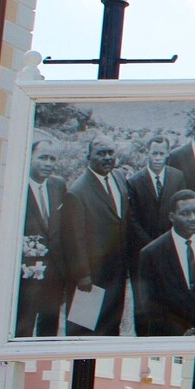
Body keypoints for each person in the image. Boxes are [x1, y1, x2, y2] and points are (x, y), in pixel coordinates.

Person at [60, 137, 136, 336]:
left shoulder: (119, 178)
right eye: (101, 153)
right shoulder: (77, 192)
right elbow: (75, 240)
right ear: (89, 157)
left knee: (110, 328)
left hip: (116, 272)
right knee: (84, 330)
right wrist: (83, 276)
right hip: (91, 277)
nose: (107, 158)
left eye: (111, 153)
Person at [133, 190, 195, 337]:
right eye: (185, 213)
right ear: (171, 217)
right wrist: (181, 332)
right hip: (170, 337)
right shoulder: (151, 254)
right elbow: (149, 305)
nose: (193, 218)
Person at [17, 139, 70, 337]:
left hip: (54, 274)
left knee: (49, 327)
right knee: (23, 325)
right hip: (27, 272)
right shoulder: (19, 188)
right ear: (30, 158)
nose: (48, 163)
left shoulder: (58, 185)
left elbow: (64, 226)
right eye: (43, 158)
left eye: (52, 158)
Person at [126, 137, 189, 239]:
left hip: (173, 239)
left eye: (161, 154)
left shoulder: (178, 177)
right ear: (148, 153)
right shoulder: (134, 182)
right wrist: (148, 243)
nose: (158, 158)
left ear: (168, 154)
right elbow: (133, 219)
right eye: (154, 154)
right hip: (145, 243)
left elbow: (182, 209)